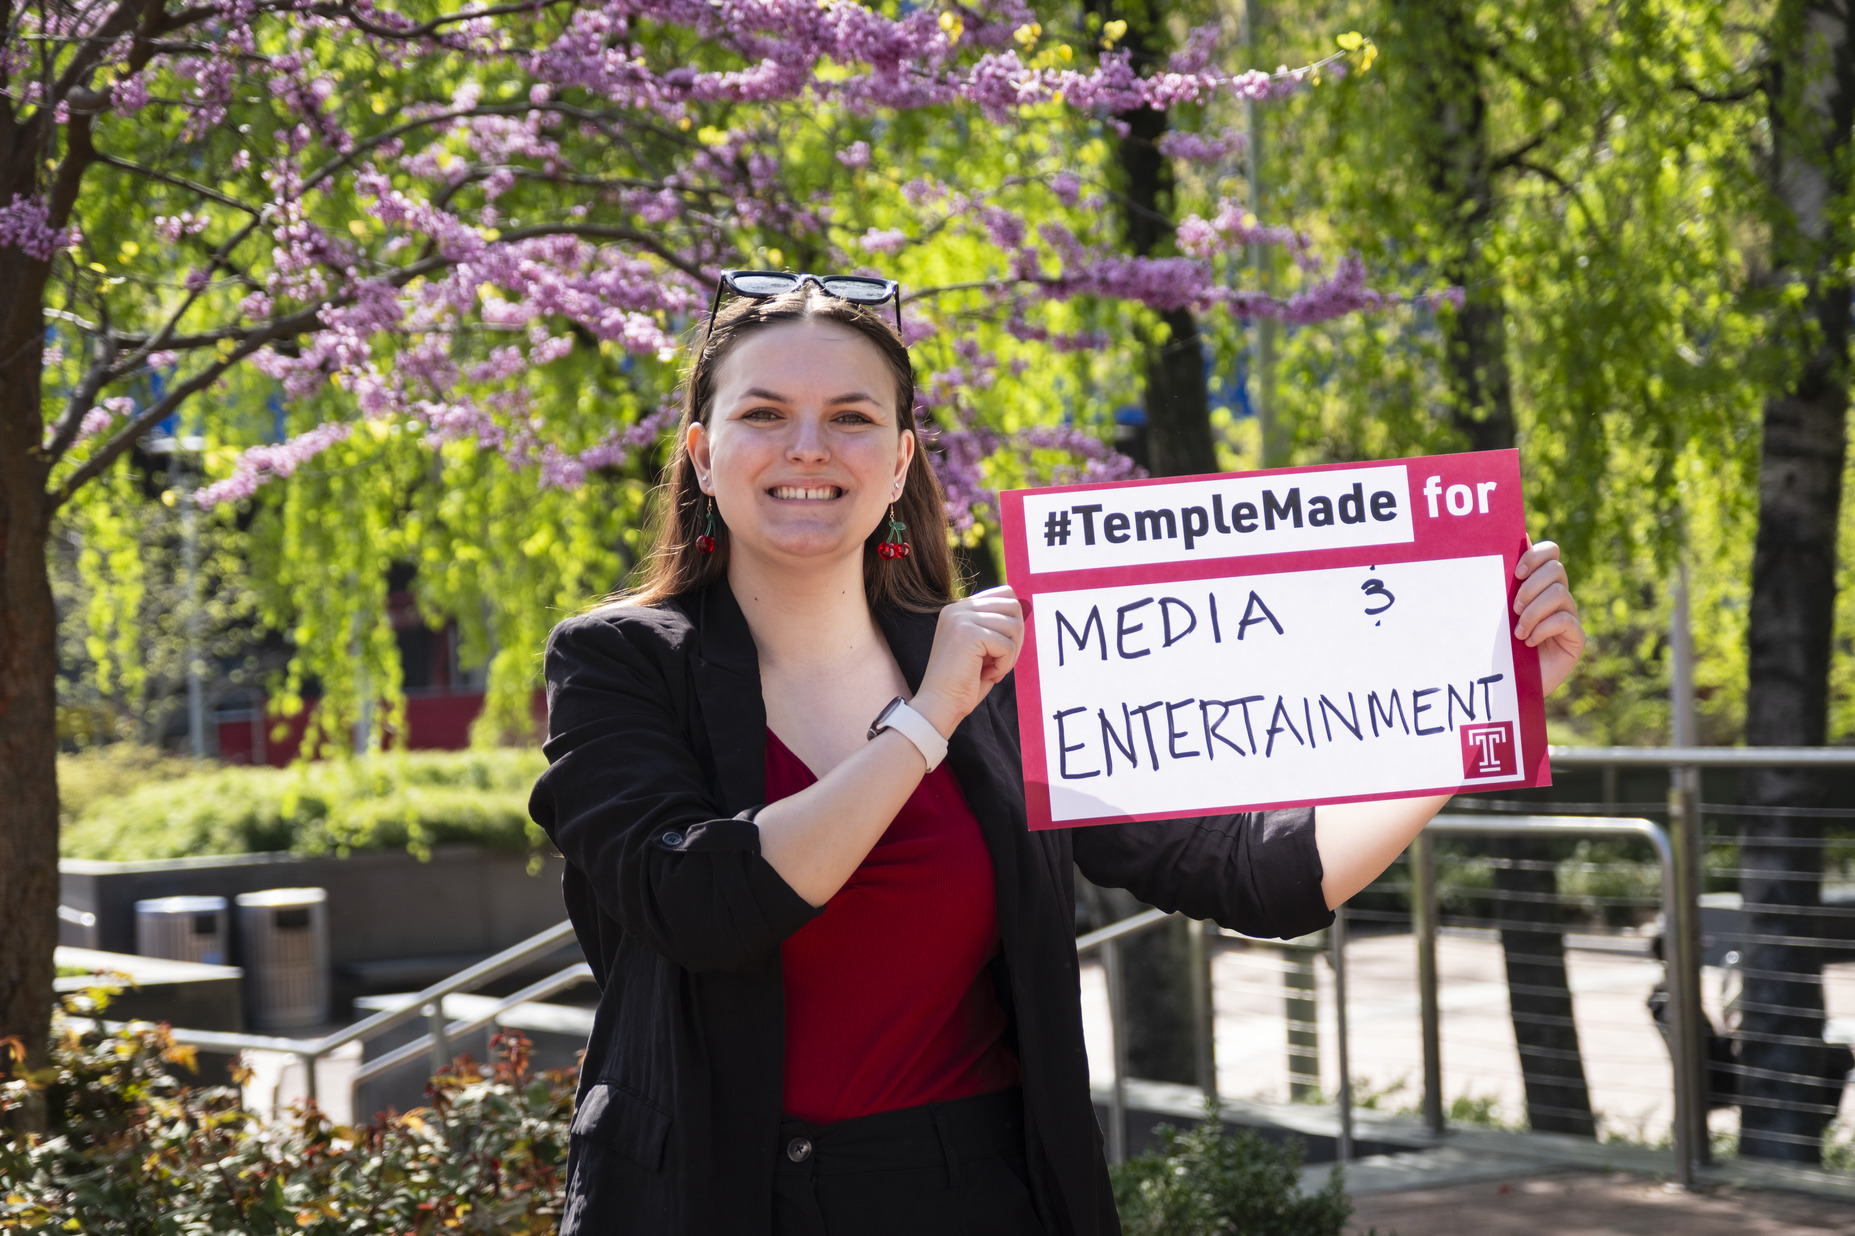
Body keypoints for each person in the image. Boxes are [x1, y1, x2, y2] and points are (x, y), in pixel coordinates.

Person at [528, 271, 1586, 1236]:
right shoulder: (616, 663)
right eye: (764, 414)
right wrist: (921, 723)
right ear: (703, 453)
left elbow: (1260, 874)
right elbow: (704, 906)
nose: (809, 446)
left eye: (851, 419)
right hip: (703, 1199)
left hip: (971, 1194)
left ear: (898, 463)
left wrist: (1483, 704)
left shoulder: (1002, 672)